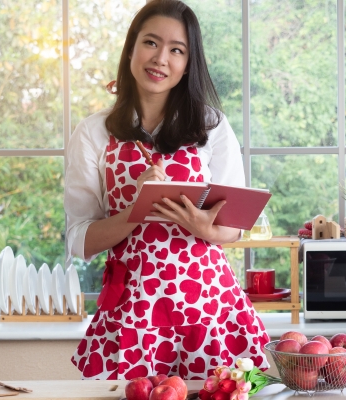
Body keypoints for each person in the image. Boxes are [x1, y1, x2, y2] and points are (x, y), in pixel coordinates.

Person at [65, 0, 270, 380]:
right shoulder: (94, 133)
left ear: (188, 64)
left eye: (177, 50)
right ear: (131, 49)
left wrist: (205, 228)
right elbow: (81, 239)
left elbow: (233, 227)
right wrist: (134, 211)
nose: (161, 58)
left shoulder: (212, 126)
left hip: (208, 311)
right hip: (133, 314)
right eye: (151, 43)